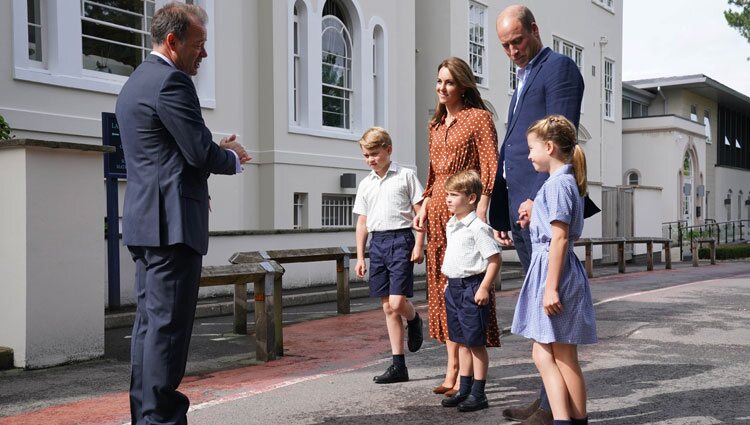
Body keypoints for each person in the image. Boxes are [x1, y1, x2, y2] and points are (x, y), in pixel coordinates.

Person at [115, 3, 251, 424]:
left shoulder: (137, 81)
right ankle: (160, 419)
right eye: (199, 44)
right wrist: (232, 158)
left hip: (146, 223)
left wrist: (212, 145)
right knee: (168, 334)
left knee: (149, 330)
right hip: (172, 227)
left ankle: (147, 417)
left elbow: (169, 147)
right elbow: (196, 151)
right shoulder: (172, 82)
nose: (203, 54)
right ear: (173, 42)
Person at [489, 5, 588, 424]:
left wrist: (537, 203)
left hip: (543, 211)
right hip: (523, 207)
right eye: (505, 45)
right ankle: (548, 402)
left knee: (552, 323)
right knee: (541, 327)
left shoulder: (559, 68)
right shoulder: (522, 76)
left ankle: (555, 412)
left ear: (535, 30)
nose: (512, 50)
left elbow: (558, 138)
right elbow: (514, 147)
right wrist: (504, 210)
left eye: (518, 41)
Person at [413, 57, 501, 397]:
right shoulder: (434, 125)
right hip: (437, 214)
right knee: (442, 292)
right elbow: (433, 176)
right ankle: (451, 369)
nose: (441, 88)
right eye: (439, 81)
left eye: (449, 82)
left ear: (463, 85)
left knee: (467, 286)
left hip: (465, 214)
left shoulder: (478, 119)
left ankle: (467, 375)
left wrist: (480, 212)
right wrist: (422, 208)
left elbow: (489, 168)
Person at [512, 115, 597, 425]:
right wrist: (534, 217)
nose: (529, 155)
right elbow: (556, 230)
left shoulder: (559, 184)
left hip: (554, 274)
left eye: (531, 149)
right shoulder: (561, 183)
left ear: (549, 147)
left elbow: (560, 236)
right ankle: (568, 419)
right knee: (553, 354)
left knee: (559, 355)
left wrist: (550, 288)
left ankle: (567, 420)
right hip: (552, 269)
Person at [353, 127, 425, 384]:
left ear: (388, 150)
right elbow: (362, 223)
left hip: (402, 239)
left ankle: (415, 319)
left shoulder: (406, 176)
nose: (371, 159)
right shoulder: (365, 184)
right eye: (366, 155)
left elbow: (420, 214)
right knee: (387, 307)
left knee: (397, 303)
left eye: (375, 153)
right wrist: (361, 257)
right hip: (378, 243)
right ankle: (398, 365)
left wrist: (419, 245)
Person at [439, 170, 501, 412]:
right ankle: (463, 390)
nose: (448, 199)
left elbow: (494, 259)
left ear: (472, 198)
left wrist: (484, 287)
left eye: (454, 195)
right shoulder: (452, 224)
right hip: (454, 288)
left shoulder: (478, 228)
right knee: (461, 341)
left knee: (475, 344)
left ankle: (478, 393)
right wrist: (448, 282)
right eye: (448, 194)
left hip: (472, 289)